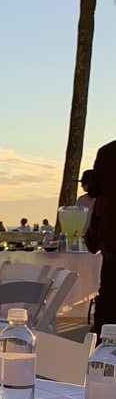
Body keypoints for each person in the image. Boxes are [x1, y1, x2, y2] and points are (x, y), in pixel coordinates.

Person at [86, 140, 116, 335]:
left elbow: (94, 189)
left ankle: (105, 344)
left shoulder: (108, 151)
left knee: (110, 294)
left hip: (113, 234)